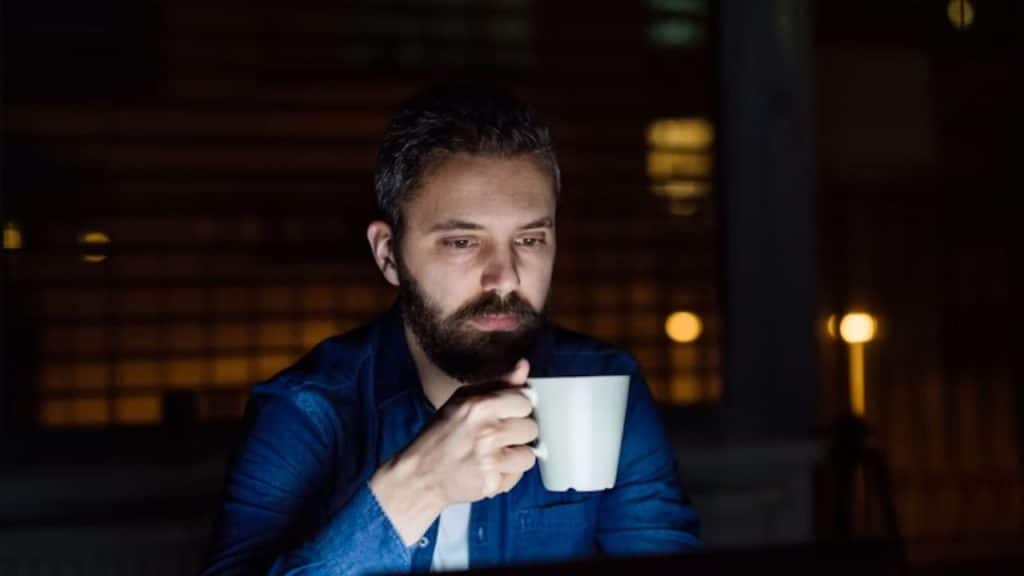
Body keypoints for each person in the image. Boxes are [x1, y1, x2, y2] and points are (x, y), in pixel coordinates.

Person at [200, 83, 701, 576]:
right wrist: (418, 488)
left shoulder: (599, 387)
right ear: (388, 254)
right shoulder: (309, 411)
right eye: (462, 242)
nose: (505, 276)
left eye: (529, 238)